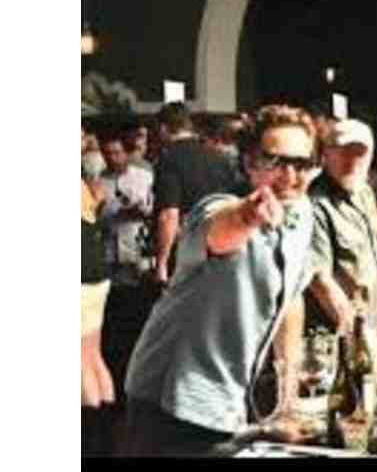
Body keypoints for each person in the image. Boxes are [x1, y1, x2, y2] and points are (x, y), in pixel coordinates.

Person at [121, 105, 318, 456]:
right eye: (274, 161)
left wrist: (287, 399)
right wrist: (249, 215)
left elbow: (292, 300)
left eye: (301, 164)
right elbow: (220, 232)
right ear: (249, 162)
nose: (289, 175)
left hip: (230, 403)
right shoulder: (217, 207)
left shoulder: (301, 215)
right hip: (171, 400)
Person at [306, 118, 377, 346]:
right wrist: (357, 337)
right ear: (326, 154)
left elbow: (375, 255)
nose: (352, 160)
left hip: (374, 320)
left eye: (360, 153)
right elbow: (320, 281)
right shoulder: (316, 205)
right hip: (339, 334)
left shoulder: (364, 191)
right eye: (344, 151)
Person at [97, 127, 155, 405]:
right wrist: (112, 211)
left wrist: (140, 210)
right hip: (111, 253)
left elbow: (154, 208)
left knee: (139, 311)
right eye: (108, 153)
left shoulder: (143, 177)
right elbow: (96, 215)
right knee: (116, 313)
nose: (113, 158)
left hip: (137, 251)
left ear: (126, 152)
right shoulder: (99, 181)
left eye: (117, 152)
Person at [152, 102, 229, 287]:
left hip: (185, 251)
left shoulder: (169, 159)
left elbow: (169, 214)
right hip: (220, 246)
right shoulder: (219, 158)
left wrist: (162, 263)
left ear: (163, 128)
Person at [81, 128, 116, 456]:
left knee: (79, 359)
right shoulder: (89, 185)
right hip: (97, 272)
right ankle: (106, 435)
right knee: (93, 354)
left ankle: (90, 442)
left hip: (79, 275)